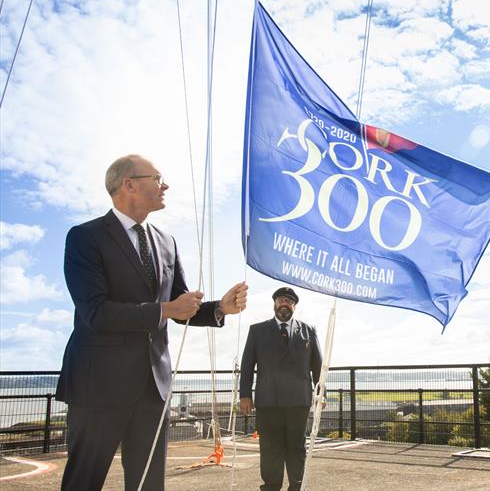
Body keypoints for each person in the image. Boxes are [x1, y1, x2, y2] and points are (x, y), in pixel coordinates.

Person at [55, 154, 248, 491]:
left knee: (149, 484)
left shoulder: (166, 242)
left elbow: (181, 303)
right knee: (84, 481)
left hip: (153, 388)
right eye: (157, 178)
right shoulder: (85, 238)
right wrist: (166, 309)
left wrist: (220, 309)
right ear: (128, 184)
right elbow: (96, 312)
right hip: (99, 383)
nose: (166, 185)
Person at [239, 286, 322, 491]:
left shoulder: (308, 330)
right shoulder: (257, 330)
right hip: (269, 400)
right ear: (274, 304)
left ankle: (297, 486)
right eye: (280, 300)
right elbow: (247, 365)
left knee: (296, 447)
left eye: (289, 301)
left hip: (298, 400)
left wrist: (321, 395)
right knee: (269, 447)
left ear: (294, 306)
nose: (284, 304)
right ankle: (271, 486)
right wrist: (245, 395)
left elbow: (318, 367)